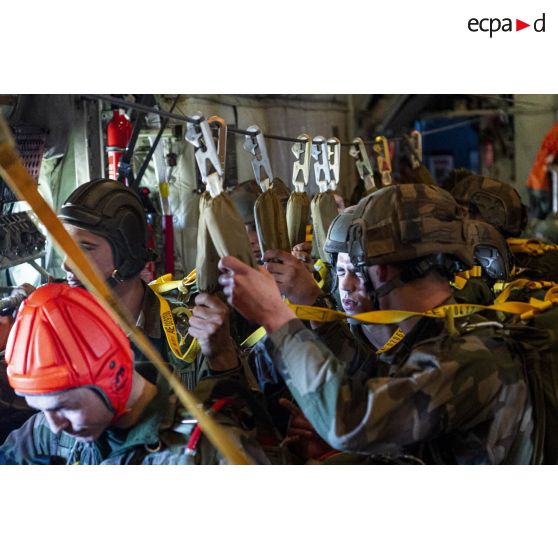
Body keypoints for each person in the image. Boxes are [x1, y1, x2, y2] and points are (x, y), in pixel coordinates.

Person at [218, 183, 535, 464]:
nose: (348, 281)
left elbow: (348, 421)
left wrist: (276, 317)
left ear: (380, 268)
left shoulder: (466, 357)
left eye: (356, 264)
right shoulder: (446, 338)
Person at [0, 283, 283, 465]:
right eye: (41, 408)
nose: (54, 425)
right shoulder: (53, 432)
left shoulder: (212, 452)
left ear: (112, 378)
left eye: (64, 407)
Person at [57, 178, 241, 389]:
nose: (66, 265)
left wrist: (222, 356)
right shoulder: (60, 329)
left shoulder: (193, 331)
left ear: (128, 252)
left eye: (85, 248)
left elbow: (235, 415)